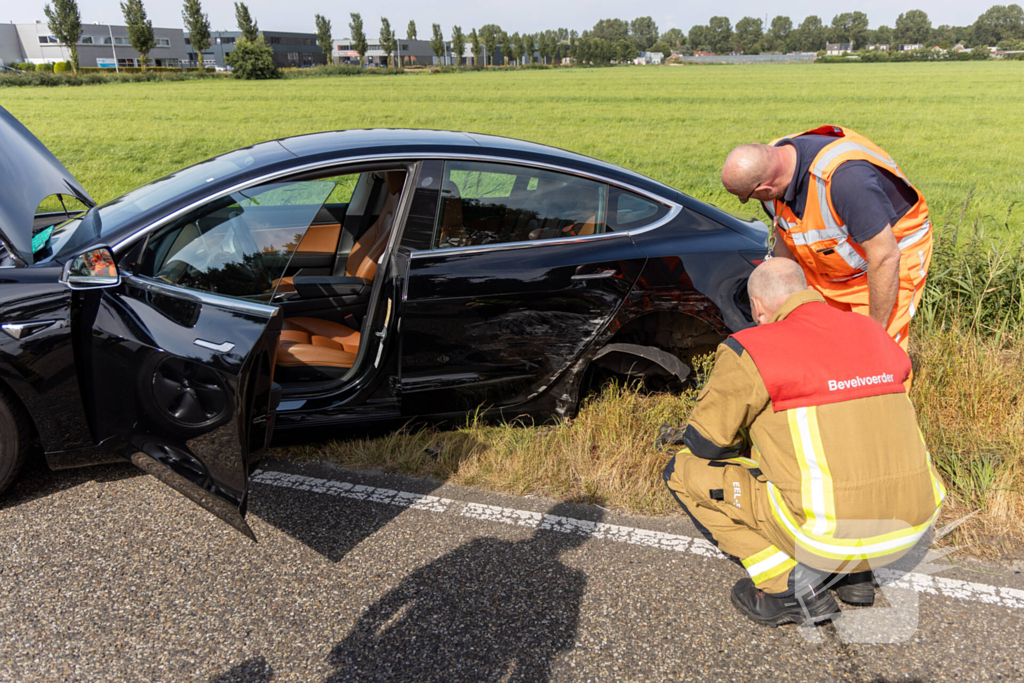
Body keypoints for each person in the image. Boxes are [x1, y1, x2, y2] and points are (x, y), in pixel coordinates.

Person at [662, 258, 945, 626]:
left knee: (682, 471)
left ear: (758, 308)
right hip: (910, 528)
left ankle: (790, 585)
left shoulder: (753, 347)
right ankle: (855, 577)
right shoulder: (872, 331)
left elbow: (708, 444)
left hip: (826, 536)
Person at [721, 126, 932, 355]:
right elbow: (785, 237)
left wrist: (876, 330)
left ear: (765, 188)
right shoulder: (771, 167)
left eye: (746, 198)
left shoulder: (846, 181)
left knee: (874, 352)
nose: (750, 202)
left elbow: (885, 256)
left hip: (885, 258)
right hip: (830, 258)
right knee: (823, 343)